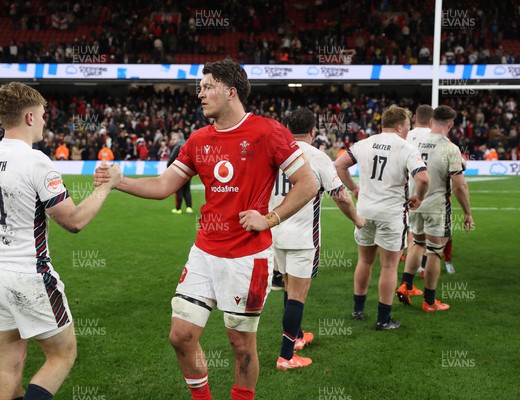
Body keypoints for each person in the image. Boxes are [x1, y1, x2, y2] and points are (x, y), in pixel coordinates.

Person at [94, 59, 318, 400]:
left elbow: (308, 183)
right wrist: (118, 181)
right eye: (199, 88)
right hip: (204, 251)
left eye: (207, 86)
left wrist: (270, 218)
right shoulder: (198, 139)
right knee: (180, 336)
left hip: (247, 257)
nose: (200, 94)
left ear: (231, 92)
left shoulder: (267, 131)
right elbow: (164, 185)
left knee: (241, 345)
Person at [0, 82, 122, 400]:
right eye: (42, 115)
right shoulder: (37, 161)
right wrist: (106, 187)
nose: (44, 121)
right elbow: (74, 221)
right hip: (29, 276)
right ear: (29, 117)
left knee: (9, 366)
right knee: (61, 355)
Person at [270, 108, 365, 370]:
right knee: (298, 296)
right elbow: (341, 196)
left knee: (289, 288)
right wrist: (357, 219)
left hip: (275, 233)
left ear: (287, 128)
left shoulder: (275, 152)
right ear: (313, 131)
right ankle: (287, 356)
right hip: (303, 237)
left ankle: (297, 335)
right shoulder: (317, 156)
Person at [334, 105, 429, 330]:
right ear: (399, 126)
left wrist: (354, 189)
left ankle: (358, 310)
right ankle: (383, 319)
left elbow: (339, 165)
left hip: (365, 210)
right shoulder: (406, 147)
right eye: (407, 126)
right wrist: (419, 197)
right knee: (388, 267)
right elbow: (423, 178)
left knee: (364, 261)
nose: (408, 130)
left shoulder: (364, 143)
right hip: (392, 213)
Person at [396, 105, 473, 312]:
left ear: (431, 121)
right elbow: (459, 185)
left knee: (417, 244)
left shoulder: (413, 142)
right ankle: (430, 302)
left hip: (414, 202)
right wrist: (467, 212)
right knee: (434, 252)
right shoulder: (450, 148)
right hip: (436, 207)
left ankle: (406, 284)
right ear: (451, 124)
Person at [406, 105, 433, 275]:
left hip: (408, 191)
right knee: (431, 239)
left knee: (414, 235)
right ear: (432, 120)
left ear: (415, 117)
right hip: (432, 192)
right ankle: (423, 267)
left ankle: (408, 274)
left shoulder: (405, 136)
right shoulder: (437, 137)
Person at [167, 132, 193, 214]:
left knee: (178, 190)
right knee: (187, 189)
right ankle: (189, 207)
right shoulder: (187, 145)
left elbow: (171, 159)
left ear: (179, 139)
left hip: (179, 171)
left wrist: (168, 167)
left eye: (174, 138)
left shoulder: (178, 147)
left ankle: (178, 209)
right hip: (188, 171)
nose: (172, 140)